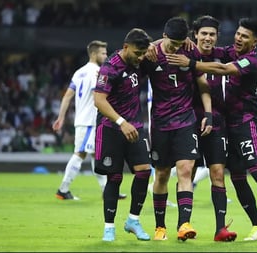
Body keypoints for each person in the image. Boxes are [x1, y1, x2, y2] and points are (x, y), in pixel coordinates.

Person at [166, 17, 257, 241]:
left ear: (255, 42)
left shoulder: (251, 60)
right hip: (227, 124)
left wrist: (190, 63)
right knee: (238, 177)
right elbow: (207, 50)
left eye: (245, 36)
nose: (239, 38)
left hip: (246, 121)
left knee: (256, 168)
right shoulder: (232, 51)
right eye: (238, 34)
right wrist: (181, 42)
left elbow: (222, 68)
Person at [141, 16, 212, 241]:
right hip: (161, 123)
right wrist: (147, 48)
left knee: (185, 171)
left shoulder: (190, 52)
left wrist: (208, 114)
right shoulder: (151, 55)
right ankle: (160, 227)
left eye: (181, 43)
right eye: (173, 43)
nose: (176, 48)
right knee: (161, 174)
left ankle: (184, 224)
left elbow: (202, 84)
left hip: (185, 120)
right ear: (163, 37)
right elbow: (131, 58)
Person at [93, 28, 153, 242]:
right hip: (111, 129)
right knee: (115, 177)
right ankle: (109, 227)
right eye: (137, 53)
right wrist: (121, 122)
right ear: (125, 47)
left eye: (143, 53)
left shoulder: (138, 59)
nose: (141, 57)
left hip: (135, 126)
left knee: (144, 172)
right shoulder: (110, 68)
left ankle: (133, 221)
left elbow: (158, 47)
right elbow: (99, 100)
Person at [53, 40, 126, 201]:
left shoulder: (79, 72)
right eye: (103, 53)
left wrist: (61, 116)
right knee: (80, 154)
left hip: (85, 120)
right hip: (89, 121)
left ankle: (107, 190)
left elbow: (67, 95)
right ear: (93, 54)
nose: (106, 56)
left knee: (95, 155)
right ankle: (63, 189)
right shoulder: (97, 73)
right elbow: (99, 96)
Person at [187, 15, 237, 242]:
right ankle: (183, 225)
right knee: (185, 174)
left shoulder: (223, 55)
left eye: (212, 34)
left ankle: (220, 229)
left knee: (217, 173)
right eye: (203, 33)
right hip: (186, 122)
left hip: (216, 122)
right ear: (195, 34)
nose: (207, 38)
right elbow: (160, 43)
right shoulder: (184, 53)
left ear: (217, 37)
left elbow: (246, 54)